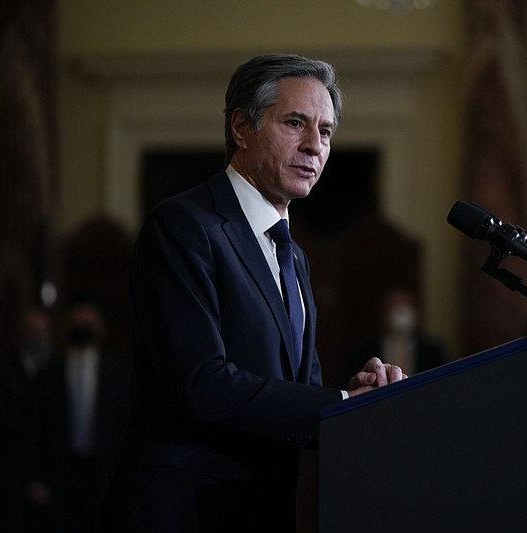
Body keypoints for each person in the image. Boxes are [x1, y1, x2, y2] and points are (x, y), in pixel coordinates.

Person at [100, 53, 406, 533]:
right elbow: (202, 384)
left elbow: (295, 391)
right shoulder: (185, 226)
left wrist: (358, 396)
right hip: (186, 509)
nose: (315, 146)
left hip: (262, 511)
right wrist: (341, 400)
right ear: (242, 127)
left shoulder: (296, 257)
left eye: (325, 131)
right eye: (295, 123)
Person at [36, 302, 130, 533]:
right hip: (61, 472)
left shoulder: (119, 372)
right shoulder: (49, 372)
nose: (82, 329)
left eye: (88, 324)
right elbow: (38, 427)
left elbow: (124, 424)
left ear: (101, 330)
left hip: (103, 472)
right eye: (77, 324)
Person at [0, 307, 54, 533]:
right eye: (33, 331)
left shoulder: (54, 370)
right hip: (9, 478)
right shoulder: (1, 368)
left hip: (48, 476)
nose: (38, 336)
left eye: (42, 331)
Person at [347, 288, 447, 382]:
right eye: (394, 305)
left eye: (406, 304)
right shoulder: (363, 352)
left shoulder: (433, 351)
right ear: (383, 313)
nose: (401, 311)